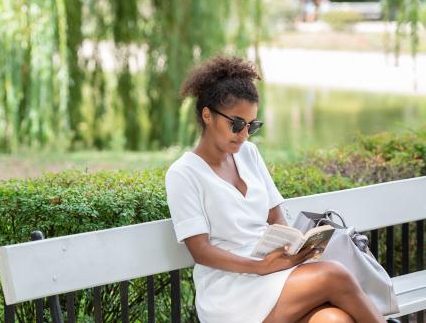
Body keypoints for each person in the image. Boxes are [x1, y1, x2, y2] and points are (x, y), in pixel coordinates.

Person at [165, 55, 387, 323]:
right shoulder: (184, 173)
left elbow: (277, 219)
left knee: (333, 320)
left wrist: (295, 250)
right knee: (335, 275)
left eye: (252, 125)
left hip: (273, 273)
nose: (244, 134)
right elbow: (200, 251)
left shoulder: (249, 154)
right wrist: (260, 267)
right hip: (230, 290)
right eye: (236, 124)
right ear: (207, 115)